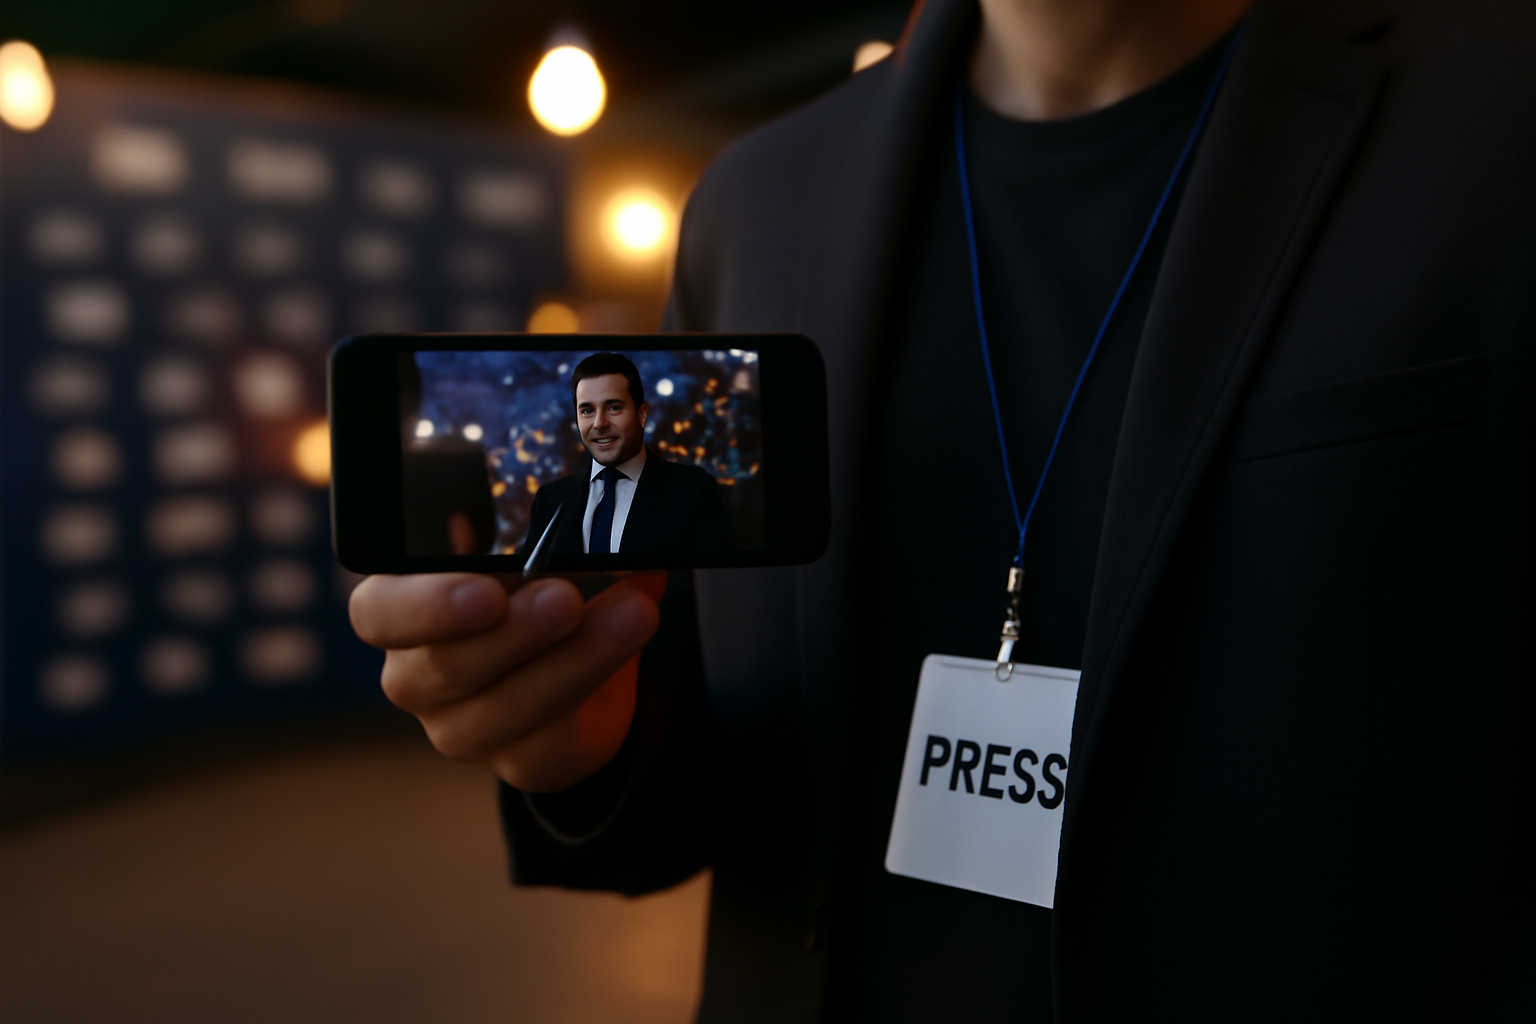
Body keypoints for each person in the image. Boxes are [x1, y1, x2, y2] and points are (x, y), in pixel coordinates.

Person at [349, 0, 1536, 1020]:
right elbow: (741, 784)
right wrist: (581, 754)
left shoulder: (1492, 109)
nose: (604, 427)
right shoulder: (755, 199)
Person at [521, 351, 729, 556]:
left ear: (642, 414)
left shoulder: (693, 491)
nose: (599, 423)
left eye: (613, 407)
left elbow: (712, 584)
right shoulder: (549, 500)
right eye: (587, 410)